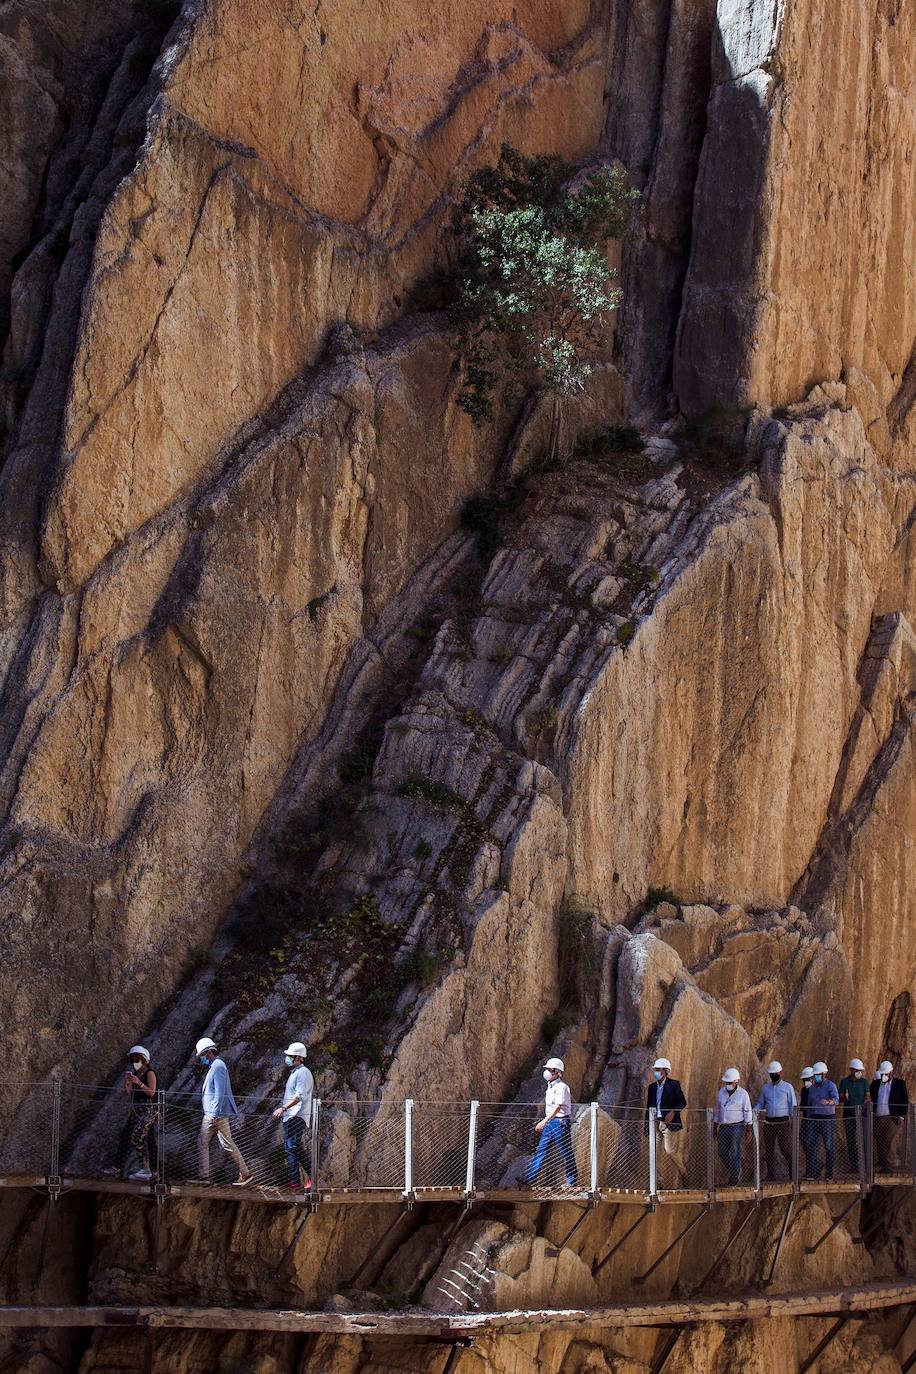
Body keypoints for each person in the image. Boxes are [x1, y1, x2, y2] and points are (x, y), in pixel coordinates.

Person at [195, 1036, 252, 1186]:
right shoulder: (216, 1066)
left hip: (213, 1115)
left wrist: (213, 1113)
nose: (201, 1058)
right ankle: (245, 1173)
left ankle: (204, 1177)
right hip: (216, 1114)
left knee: (202, 1142)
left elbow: (220, 1092)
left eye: (201, 1055)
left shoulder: (218, 1066)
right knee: (227, 1144)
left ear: (208, 1052)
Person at [526, 1057, 577, 1188]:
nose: (547, 1072)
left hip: (559, 1123)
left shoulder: (561, 1087)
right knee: (541, 1150)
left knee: (565, 1151)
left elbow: (558, 1106)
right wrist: (547, 1121)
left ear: (556, 1072)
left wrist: (545, 1120)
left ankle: (572, 1180)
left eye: (549, 1069)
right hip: (551, 1122)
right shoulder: (550, 1087)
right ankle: (530, 1178)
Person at [272, 1041, 314, 1189]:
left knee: (293, 1146)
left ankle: (313, 1175)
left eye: (290, 1056)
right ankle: (295, 1182)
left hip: (298, 1114)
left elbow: (299, 1096)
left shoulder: (303, 1073)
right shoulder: (295, 1073)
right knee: (290, 1148)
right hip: (290, 1116)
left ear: (298, 1057)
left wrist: (283, 1108)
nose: (288, 1058)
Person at [120, 1046, 158, 1181]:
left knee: (137, 1137)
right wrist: (127, 1083)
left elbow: (152, 1092)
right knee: (144, 1139)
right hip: (137, 1111)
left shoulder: (149, 1073)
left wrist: (139, 1083)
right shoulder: (136, 1075)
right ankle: (147, 1169)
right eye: (132, 1060)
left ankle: (147, 1169)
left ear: (143, 1060)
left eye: (136, 1059)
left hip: (147, 1111)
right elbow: (128, 1094)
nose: (134, 1063)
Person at [756, 1060, 796, 1181]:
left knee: (785, 1147)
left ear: (780, 1072)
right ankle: (770, 1175)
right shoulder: (765, 1088)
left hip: (783, 1121)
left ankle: (793, 1173)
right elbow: (760, 1103)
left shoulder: (788, 1087)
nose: (773, 1075)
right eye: (771, 1073)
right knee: (768, 1149)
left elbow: (792, 1105)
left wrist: (793, 1122)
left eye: (775, 1073)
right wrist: (755, 1109)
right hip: (769, 1121)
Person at [644, 1057, 687, 1164]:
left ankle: (682, 1171)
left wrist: (673, 1112)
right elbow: (648, 1106)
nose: (656, 1072)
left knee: (669, 1151)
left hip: (668, 1123)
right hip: (654, 1122)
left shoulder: (674, 1085)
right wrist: (646, 1126)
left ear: (665, 1071)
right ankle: (658, 1180)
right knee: (653, 1153)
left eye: (658, 1069)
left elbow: (682, 1102)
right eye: (655, 1069)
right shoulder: (652, 1087)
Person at [869, 1060, 909, 1173]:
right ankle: (883, 1165)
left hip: (892, 1118)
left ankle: (889, 1165)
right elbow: (870, 1097)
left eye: (886, 1074)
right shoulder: (876, 1084)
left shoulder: (900, 1084)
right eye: (883, 1074)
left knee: (888, 1140)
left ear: (891, 1073)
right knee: (880, 1141)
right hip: (878, 1117)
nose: (884, 1076)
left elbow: (904, 1101)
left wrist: (902, 1117)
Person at [714, 1068, 752, 1185]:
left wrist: (749, 1129)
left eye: (730, 1083)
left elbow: (747, 1111)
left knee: (735, 1150)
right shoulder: (721, 1092)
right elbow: (717, 1109)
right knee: (721, 1151)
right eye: (726, 1083)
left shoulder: (743, 1094)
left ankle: (734, 1178)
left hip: (737, 1126)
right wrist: (715, 1126)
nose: (728, 1085)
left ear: (736, 1081)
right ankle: (734, 1170)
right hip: (723, 1126)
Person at [806, 1061, 839, 1180]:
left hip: (827, 1119)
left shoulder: (831, 1085)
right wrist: (809, 1118)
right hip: (814, 1118)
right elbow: (809, 1104)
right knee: (810, 1144)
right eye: (815, 1075)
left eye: (818, 1074)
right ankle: (813, 1172)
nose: (816, 1077)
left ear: (824, 1074)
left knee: (828, 1146)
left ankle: (829, 1173)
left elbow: (836, 1100)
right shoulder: (812, 1088)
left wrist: (829, 1102)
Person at [838, 1057, 868, 1175]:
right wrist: (844, 1097)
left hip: (861, 1114)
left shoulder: (864, 1082)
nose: (859, 1072)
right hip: (848, 1114)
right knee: (851, 1140)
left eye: (860, 1070)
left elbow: (868, 1096)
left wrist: (866, 1103)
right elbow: (839, 1099)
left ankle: (864, 1165)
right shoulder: (844, 1082)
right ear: (851, 1070)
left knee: (862, 1139)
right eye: (856, 1070)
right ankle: (854, 1166)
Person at [799, 1066, 815, 1179]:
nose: (806, 1082)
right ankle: (815, 1165)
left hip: (814, 1120)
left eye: (808, 1079)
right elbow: (803, 1105)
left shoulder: (816, 1090)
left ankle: (811, 1170)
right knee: (804, 1141)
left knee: (811, 1144)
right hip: (805, 1119)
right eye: (804, 1080)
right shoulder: (804, 1090)